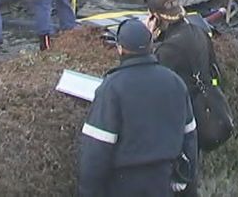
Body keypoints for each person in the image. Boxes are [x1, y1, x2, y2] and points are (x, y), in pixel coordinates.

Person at [77, 19, 198, 197]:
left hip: (123, 185)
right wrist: (185, 183)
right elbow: (190, 138)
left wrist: (88, 192)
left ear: (120, 48)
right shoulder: (175, 82)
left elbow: (96, 152)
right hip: (163, 183)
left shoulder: (112, 88)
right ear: (151, 45)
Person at [145, 0, 219, 197]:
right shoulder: (199, 33)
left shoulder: (166, 51)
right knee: (191, 177)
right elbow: (215, 70)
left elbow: (151, 79)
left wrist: (148, 40)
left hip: (177, 122)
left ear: (156, 17)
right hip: (200, 114)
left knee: (177, 180)